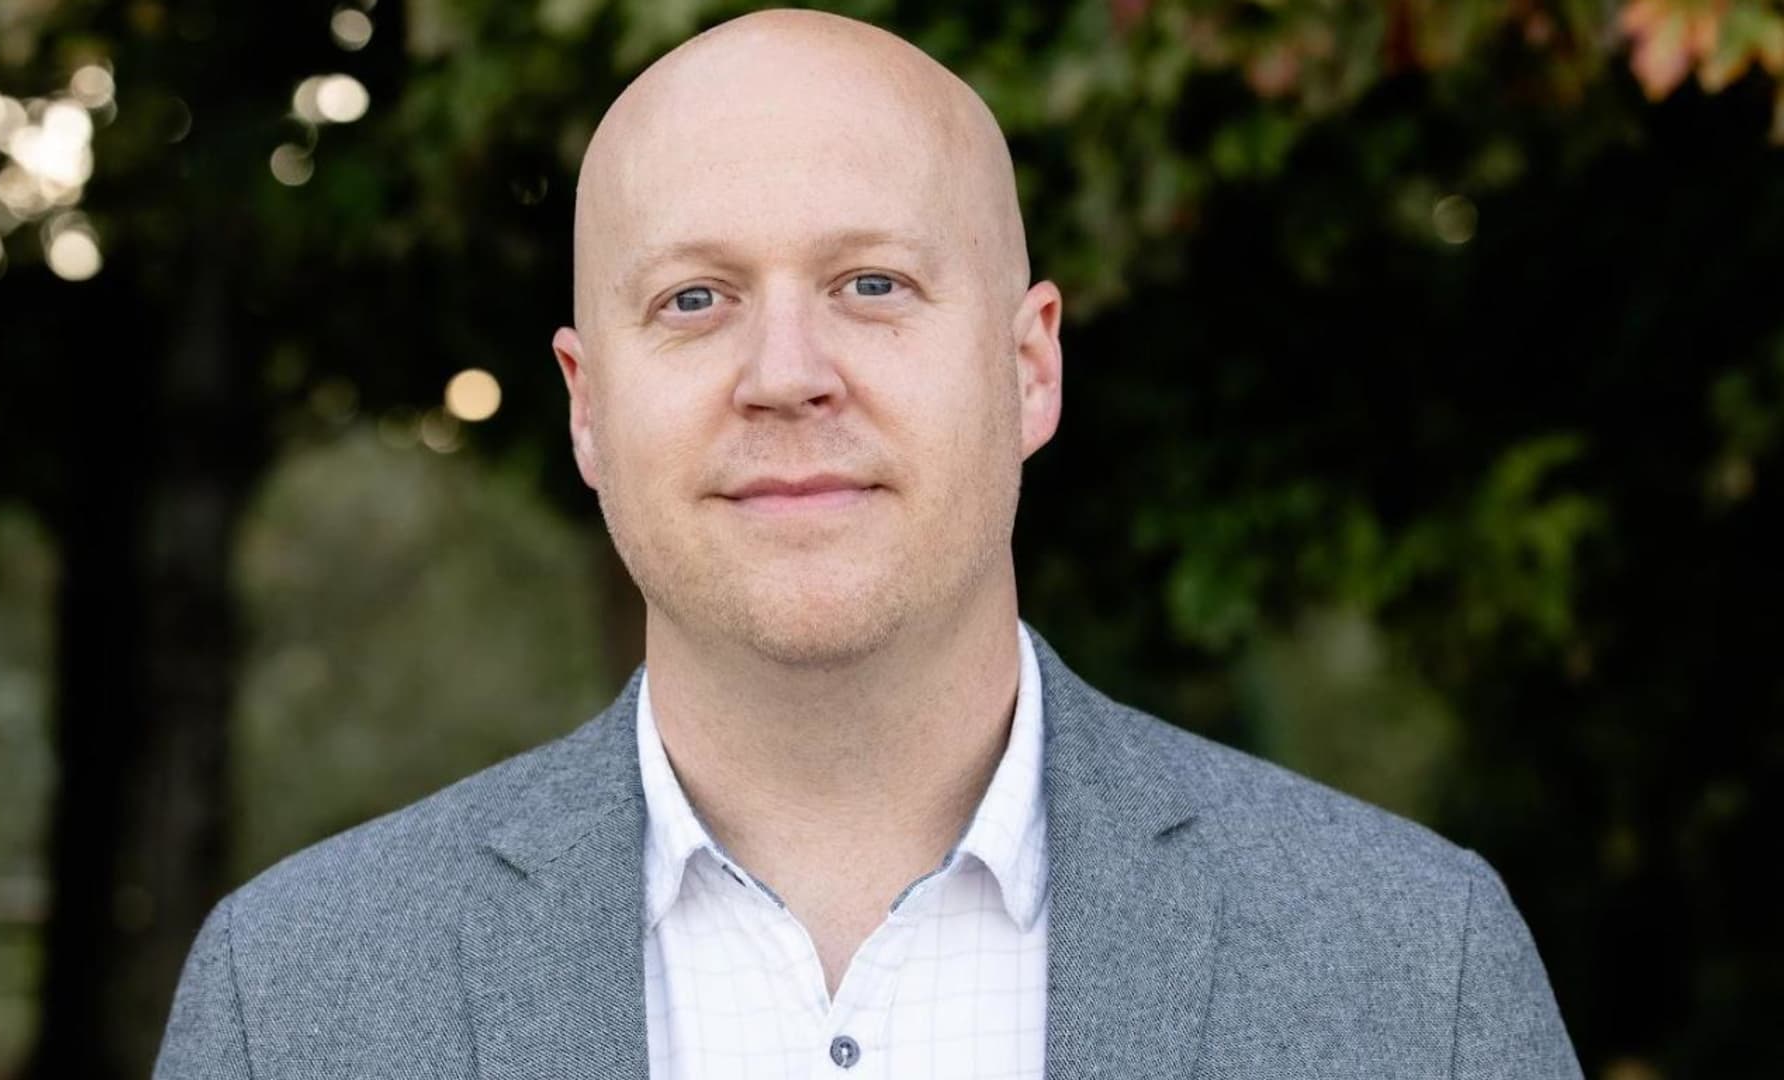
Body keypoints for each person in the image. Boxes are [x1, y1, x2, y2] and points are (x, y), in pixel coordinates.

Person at [156, 9, 1580, 1079]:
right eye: (696, 299)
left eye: (874, 283)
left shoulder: (1416, 970)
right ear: (586, 409)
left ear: (1030, 367)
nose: (787, 375)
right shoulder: (291, 1004)